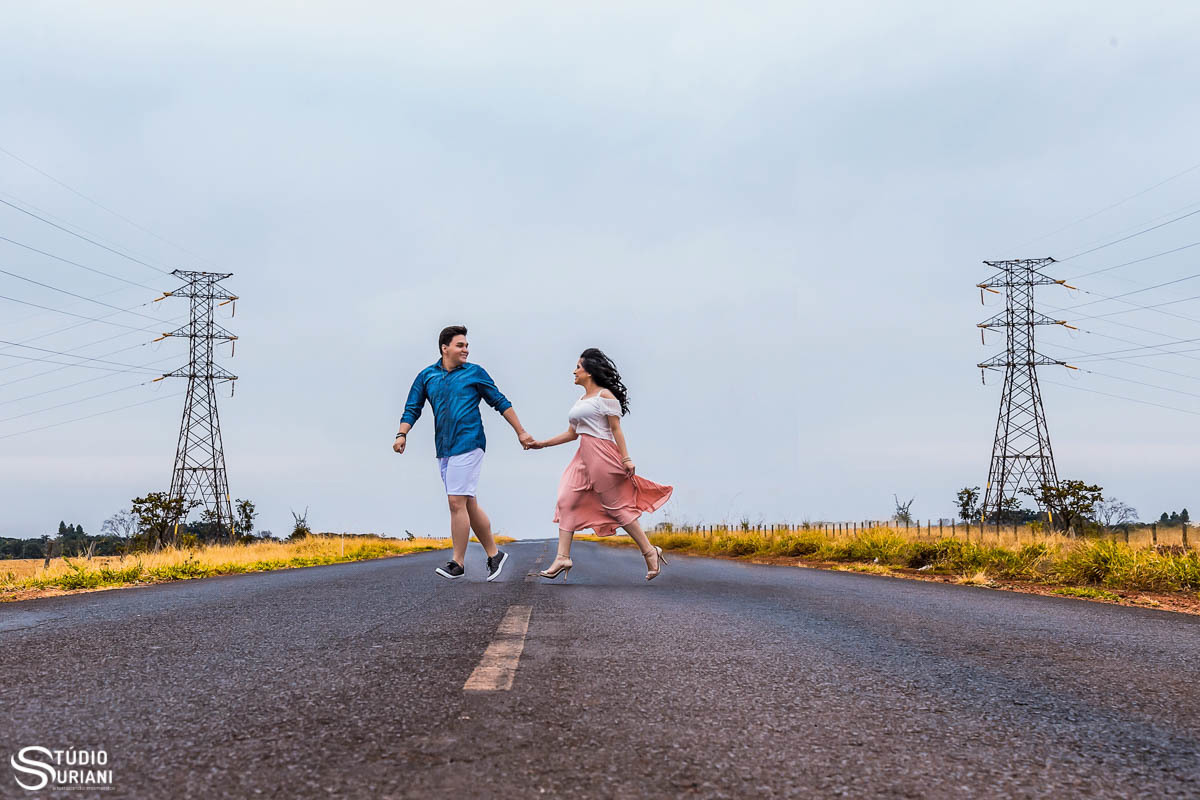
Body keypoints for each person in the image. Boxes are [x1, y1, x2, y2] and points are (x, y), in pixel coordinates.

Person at [394, 325, 534, 580]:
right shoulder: (427, 376)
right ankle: (495, 555)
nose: (466, 350)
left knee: (455, 502)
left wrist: (521, 432)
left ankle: (457, 562)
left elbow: (500, 402)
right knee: (468, 503)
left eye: (467, 345)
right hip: (444, 448)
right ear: (444, 348)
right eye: (460, 345)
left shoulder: (475, 373)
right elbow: (412, 407)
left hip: (470, 443)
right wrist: (402, 434)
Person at [528, 348, 673, 581]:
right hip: (582, 455)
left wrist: (626, 458)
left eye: (578, 366)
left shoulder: (605, 396)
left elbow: (616, 429)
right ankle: (563, 557)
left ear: (589, 371)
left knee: (616, 507)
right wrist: (541, 444)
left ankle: (649, 551)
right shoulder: (581, 400)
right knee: (566, 500)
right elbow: (572, 433)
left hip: (601, 454)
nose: (574, 371)